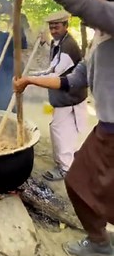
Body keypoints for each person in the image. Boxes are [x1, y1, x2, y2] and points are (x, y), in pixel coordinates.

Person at [9, 0, 114, 256]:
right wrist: (28, 80)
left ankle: (99, 242)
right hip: (106, 131)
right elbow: (72, 79)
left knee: (83, 182)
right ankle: (99, 240)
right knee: (84, 183)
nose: (84, 10)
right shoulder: (98, 43)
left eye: (92, 3)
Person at [29, 10, 87, 181]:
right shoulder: (59, 43)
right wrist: (34, 74)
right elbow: (51, 69)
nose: (53, 30)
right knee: (67, 130)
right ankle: (69, 161)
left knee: (60, 130)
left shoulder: (68, 46)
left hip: (68, 97)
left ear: (66, 26)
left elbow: (55, 74)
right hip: (67, 97)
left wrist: (31, 80)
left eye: (57, 27)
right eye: (51, 27)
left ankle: (64, 168)